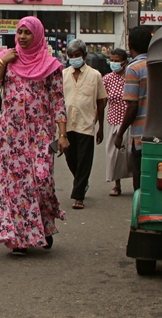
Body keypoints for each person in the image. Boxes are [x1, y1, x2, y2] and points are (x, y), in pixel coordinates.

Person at [0, 16, 68, 256]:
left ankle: (44, 227)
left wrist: (62, 134)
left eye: (27, 32)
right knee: (16, 187)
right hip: (11, 136)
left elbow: (58, 101)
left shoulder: (51, 65)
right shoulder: (8, 60)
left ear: (38, 35)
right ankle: (18, 238)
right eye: (19, 32)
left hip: (43, 134)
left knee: (42, 180)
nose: (22, 36)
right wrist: (2, 62)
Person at [61, 39, 108, 209]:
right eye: (71, 56)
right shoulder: (63, 74)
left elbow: (101, 101)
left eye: (77, 56)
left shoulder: (95, 75)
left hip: (86, 125)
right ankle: (81, 182)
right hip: (67, 125)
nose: (74, 59)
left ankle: (78, 196)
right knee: (71, 159)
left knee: (84, 161)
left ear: (84, 56)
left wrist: (101, 127)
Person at [115, 26, 152, 192]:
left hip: (141, 136)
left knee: (141, 183)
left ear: (130, 46)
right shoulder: (158, 64)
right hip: (160, 134)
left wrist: (120, 133)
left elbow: (132, 105)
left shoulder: (133, 68)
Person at [103, 48, 131, 196]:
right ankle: (116, 184)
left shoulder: (131, 77)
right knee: (113, 154)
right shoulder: (107, 79)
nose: (113, 63)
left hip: (129, 120)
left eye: (116, 61)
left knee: (130, 154)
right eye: (111, 60)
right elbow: (101, 99)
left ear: (124, 62)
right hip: (113, 120)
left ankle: (136, 184)